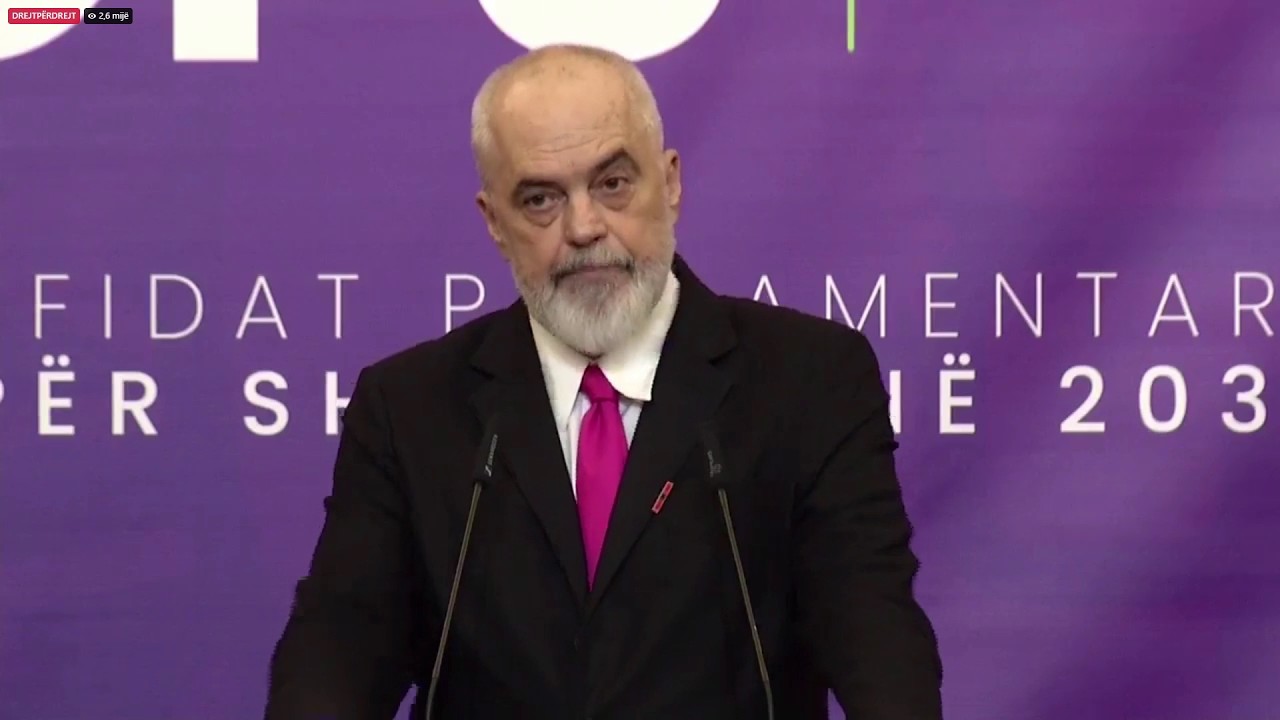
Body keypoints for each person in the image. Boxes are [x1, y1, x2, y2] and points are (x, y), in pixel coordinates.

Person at [265, 44, 943, 720]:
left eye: (613, 183)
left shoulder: (809, 380)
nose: (585, 227)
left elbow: (876, 636)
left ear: (669, 183)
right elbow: (338, 649)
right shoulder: (408, 407)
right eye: (540, 199)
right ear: (494, 222)